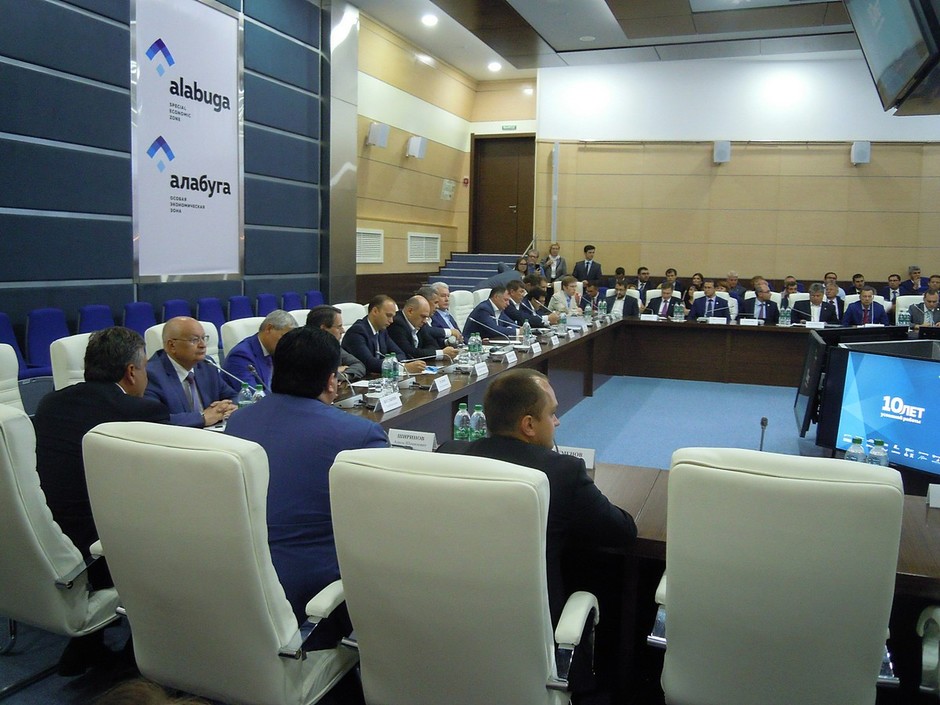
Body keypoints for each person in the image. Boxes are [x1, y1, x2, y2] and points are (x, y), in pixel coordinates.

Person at [435, 368, 637, 625]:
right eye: (552, 413)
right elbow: (623, 531)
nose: (557, 422)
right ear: (529, 425)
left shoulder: (449, 453)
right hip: (530, 629)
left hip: (450, 621)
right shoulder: (563, 472)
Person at [225, 327, 388, 623]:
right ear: (331, 382)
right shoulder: (361, 435)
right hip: (315, 594)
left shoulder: (238, 421)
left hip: (238, 583)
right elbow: (381, 524)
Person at [34, 327, 169, 675]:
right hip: (101, 549)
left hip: (49, 536)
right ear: (131, 371)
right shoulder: (141, 411)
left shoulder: (50, 403)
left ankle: (87, 645)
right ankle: (139, 653)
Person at [144, 316, 238, 427]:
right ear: (172, 345)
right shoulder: (151, 374)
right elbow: (155, 420)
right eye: (194, 340)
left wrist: (228, 408)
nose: (203, 345)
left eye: (204, 338)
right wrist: (202, 418)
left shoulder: (207, 365)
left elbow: (233, 396)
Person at [341, 295, 427, 374]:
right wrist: (403, 368)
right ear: (375, 311)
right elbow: (369, 363)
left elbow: (401, 355)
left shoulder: (382, 331)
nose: (391, 321)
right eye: (388, 315)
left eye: (393, 316)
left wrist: (387, 363)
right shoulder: (357, 331)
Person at [222, 309, 296, 390]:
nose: (287, 342)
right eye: (284, 337)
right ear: (269, 328)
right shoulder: (240, 355)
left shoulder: (278, 351)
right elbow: (253, 393)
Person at [305, 305, 366, 382]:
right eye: (339, 327)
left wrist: (344, 376)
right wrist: (335, 372)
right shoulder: (304, 350)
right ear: (323, 329)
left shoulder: (333, 346)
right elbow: (317, 377)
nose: (343, 331)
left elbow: (359, 365)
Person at [388, 295, 459, 361]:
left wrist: (430, 352)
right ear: (410, 311)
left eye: (426, 317)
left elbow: (433, 345)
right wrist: (441, 353)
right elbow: (409, 353)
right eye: (423, 316)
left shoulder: (420, 322)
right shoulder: (396, 323)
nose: (425, 321)